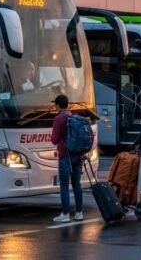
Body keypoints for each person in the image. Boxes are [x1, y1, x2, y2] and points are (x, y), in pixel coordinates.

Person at [50, 94, 84, 223]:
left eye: (55, 105)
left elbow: (54, 140)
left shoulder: (59, 118)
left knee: (64, 185)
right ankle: (79, 213)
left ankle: (65, 214)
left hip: (65, 154)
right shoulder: (72, 116)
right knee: (76, 184)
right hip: (77, 154)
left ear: (58, 105)